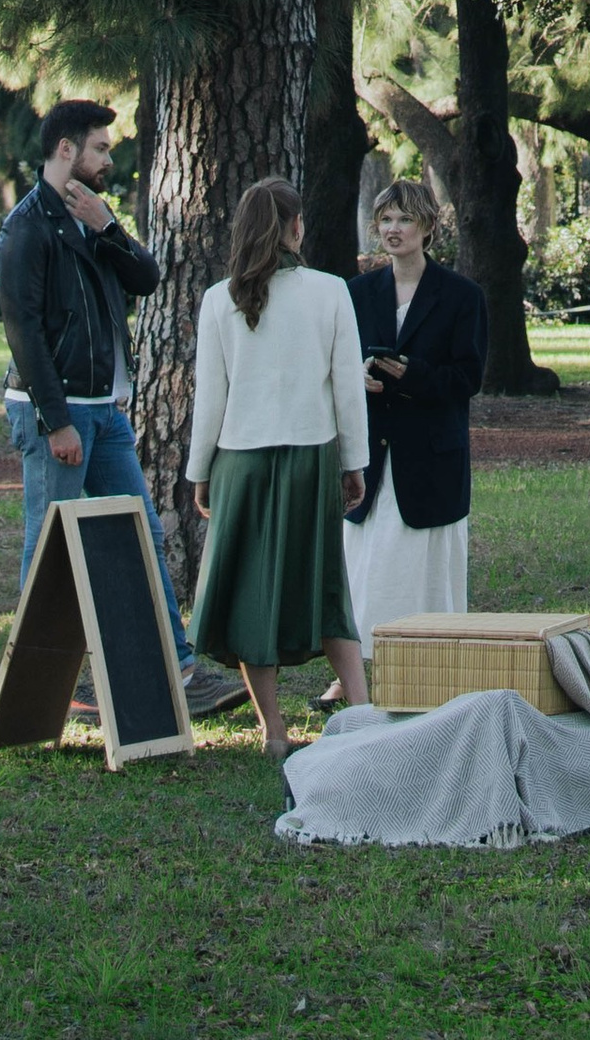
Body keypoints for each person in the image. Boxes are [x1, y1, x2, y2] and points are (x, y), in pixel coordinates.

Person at [0, 96, 239, 717]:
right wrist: (55, 421)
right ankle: (45, 685)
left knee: (143, 535)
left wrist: (110, 228)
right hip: (58, 412)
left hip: (105, 412)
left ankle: (180, 672)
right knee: (48, 545)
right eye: (100, 147)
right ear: (66, 150)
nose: (110, 157)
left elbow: (148, 279)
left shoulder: (92, 217)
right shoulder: (27, 227)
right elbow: (22, 331)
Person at [188, 176, 372, 765]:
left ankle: (274, 730)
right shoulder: (330, 291)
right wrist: (355, 463)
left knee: (250, 591)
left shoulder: (221, 298)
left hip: (239, 460)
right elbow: (348, 388)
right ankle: (362, 717)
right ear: (296, 229)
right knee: (326, 584)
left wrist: (199, 471)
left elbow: (208, 399)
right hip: (310, 456)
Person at [342, 176, 489, 664]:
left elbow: (468, 377)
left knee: (421, 565)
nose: (393, 228)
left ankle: (429, 660)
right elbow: (336, 362)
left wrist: (413, 375)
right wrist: (358, 376)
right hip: (371, 453)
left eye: (404, 219)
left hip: (430, 455)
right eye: (385, 219)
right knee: (367, 563)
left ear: (427, 227)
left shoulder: (462, 296)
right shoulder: (357, 292)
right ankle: (357, 667)